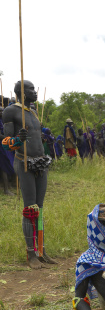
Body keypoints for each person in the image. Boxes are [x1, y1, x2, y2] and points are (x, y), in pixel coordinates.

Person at [1, 80, 56, 268]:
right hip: (24, 162)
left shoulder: (32, 112)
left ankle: (41, 249)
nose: (35, 92)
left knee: (39, 209)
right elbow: (5, 141)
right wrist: (17, 139)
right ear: (21, 93)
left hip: (40, 162)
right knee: (30, 208)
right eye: (31, 89)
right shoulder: (10, 111)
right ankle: (31, 254)